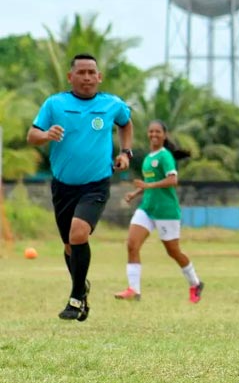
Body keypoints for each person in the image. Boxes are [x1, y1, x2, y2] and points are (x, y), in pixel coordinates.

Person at [27, 53, 133, 321]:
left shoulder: (112, 104)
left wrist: (126, 153)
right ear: (70, 76)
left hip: (96, 184)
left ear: (99, 77)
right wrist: (46, 134)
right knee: (69, 246)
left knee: (78, 233)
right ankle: (82, 290)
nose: (87, 77)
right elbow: (32, 136)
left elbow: (126, 122)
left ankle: (75, 299)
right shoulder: (55, 104)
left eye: (91, 72)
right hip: (63, 186)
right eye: (81, 72)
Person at [114, 120, 204, 303]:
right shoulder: (148, 158)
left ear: (164, 135)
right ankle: (134, 291)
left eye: (157, 132)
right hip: (147, 208)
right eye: (151, 131)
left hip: (166, 211)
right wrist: (136, 193)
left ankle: (195, 283)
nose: (154, 135)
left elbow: (172, 180)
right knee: (132, 244)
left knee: (173, 251)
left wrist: (148, 185)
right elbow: (151, 182)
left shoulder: (165, 157)